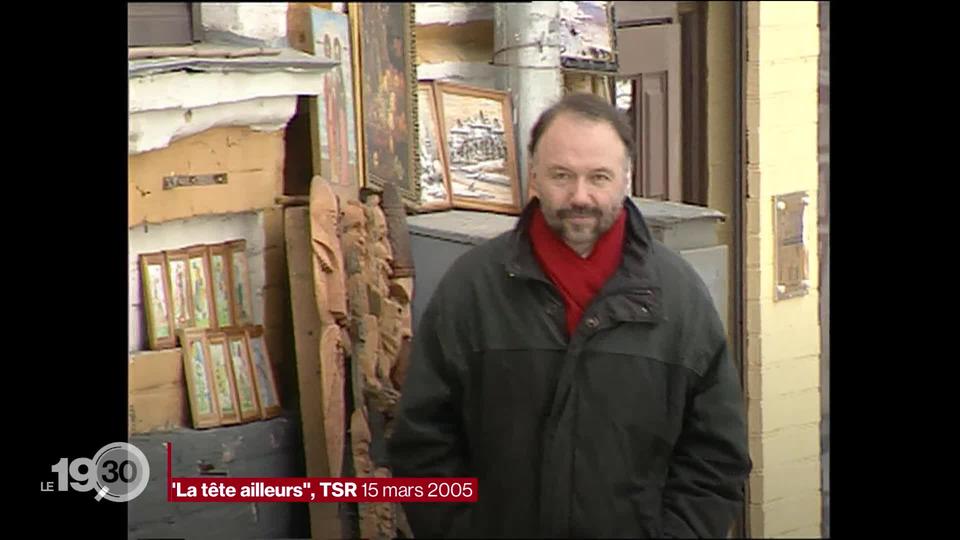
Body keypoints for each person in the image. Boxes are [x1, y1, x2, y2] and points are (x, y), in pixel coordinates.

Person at [388, 93, 752, 538]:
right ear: (534, 176)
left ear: (626, 180)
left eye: (599, 177)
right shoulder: (472, 290)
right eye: (562, 175)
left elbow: (715, 460)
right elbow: (423, 447)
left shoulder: (679, 299)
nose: (580, 196)